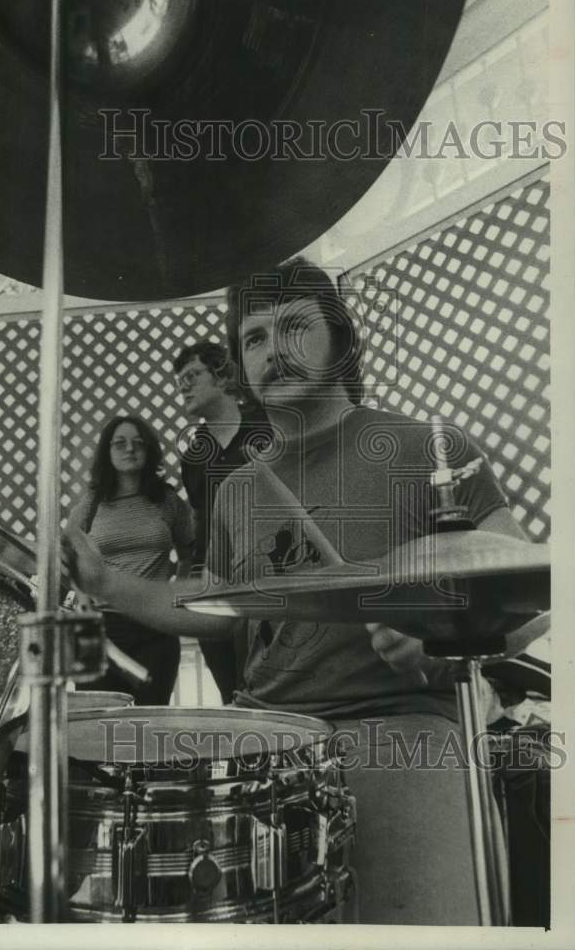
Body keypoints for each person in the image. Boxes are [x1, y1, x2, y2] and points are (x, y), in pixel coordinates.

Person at [65, 258, 548, 924]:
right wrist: (104, 582)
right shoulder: (238, 488)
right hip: (267, 737)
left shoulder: (427, 448)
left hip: (398, 729)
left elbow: (527, 584)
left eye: (295, 328)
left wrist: (445, 634)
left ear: (342, 341)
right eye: (255, 338)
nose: (274, 352)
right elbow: (216, 604)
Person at [65, 414, 194, 705]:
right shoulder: (92, 502)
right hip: (101, 629)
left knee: (149, 723)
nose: (130, 449)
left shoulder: (167, 500)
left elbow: (189, 552)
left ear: (150, 452)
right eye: (119, 443)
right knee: (99, 722)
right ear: (107, 452)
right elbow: (68, 553)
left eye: (139, 443)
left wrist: (174, 598)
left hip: (156, 627)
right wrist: (84, 604)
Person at [173, 340, 271, 703]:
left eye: (192, 375)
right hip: (214, 589)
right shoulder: (194, 455)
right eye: (178, 379)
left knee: (268, 694)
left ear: (223, 377)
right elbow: (201, 519)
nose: (183, 386)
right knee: (232, 695)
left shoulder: (269, 428)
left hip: (268, 582)